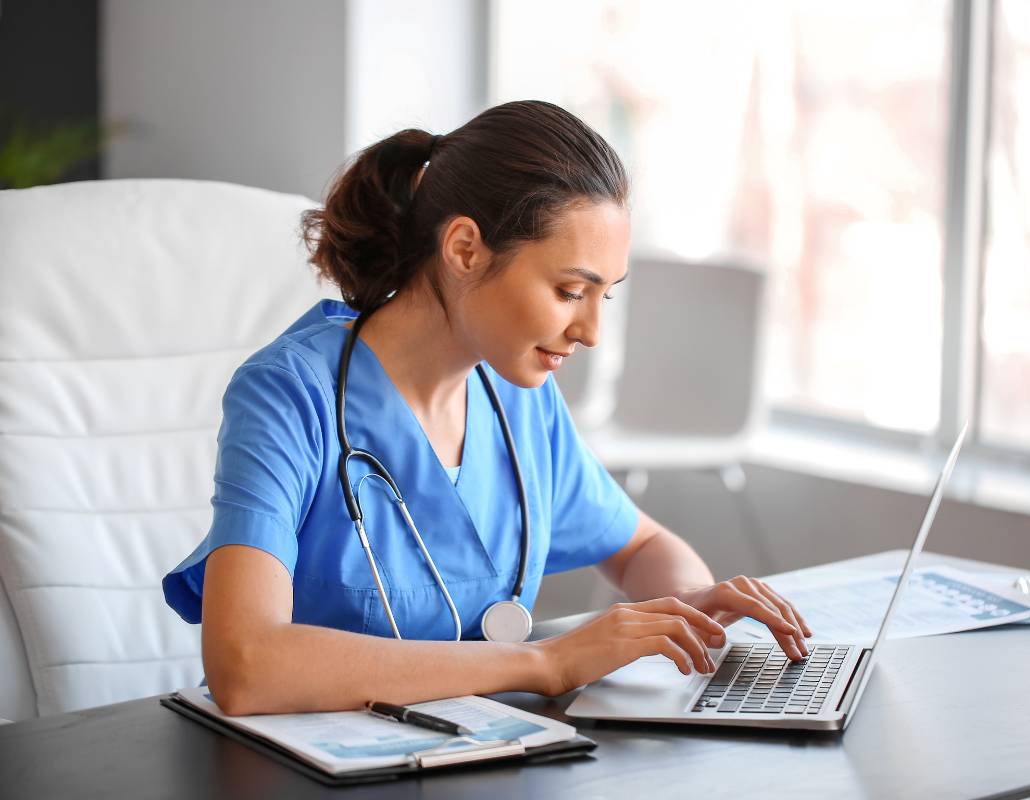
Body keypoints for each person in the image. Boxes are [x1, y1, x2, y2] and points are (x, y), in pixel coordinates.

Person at [162, 100, 812, 716]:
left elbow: (639, 545)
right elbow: (246, 666)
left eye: (603, 297)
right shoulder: (288, 395)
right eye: (568, 291)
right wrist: (541, 664)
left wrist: (688, 606)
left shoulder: (517, 399)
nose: (591, 332)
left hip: (471, 749)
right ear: (465, 249)